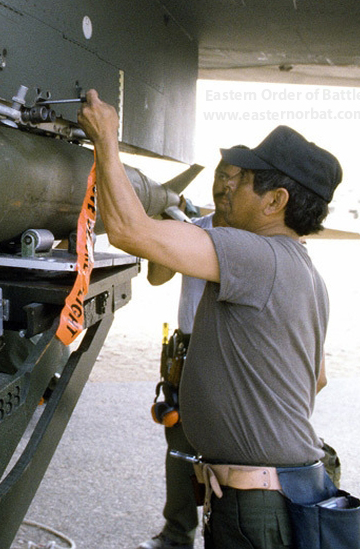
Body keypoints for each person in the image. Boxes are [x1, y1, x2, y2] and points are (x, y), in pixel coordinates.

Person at [78, 90, 342, 548]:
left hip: (259, 506)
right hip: (266, 494)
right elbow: (315, 379)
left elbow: (128, 231)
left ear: (275, 201)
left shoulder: (256, 254)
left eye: (244, 181)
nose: (227, 189)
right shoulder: (305, 271)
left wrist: (106, 140)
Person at [139, 158, 238, 549]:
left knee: (231, 452)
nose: (224, 186)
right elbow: (156, 276)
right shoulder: (194, 231)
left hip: (230, 352)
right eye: (220, 176)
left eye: (235, 179)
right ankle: (177, 535)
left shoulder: (252, 241)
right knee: (180, 450)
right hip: (188, 349)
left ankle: (229, 535)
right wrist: (167, 231)